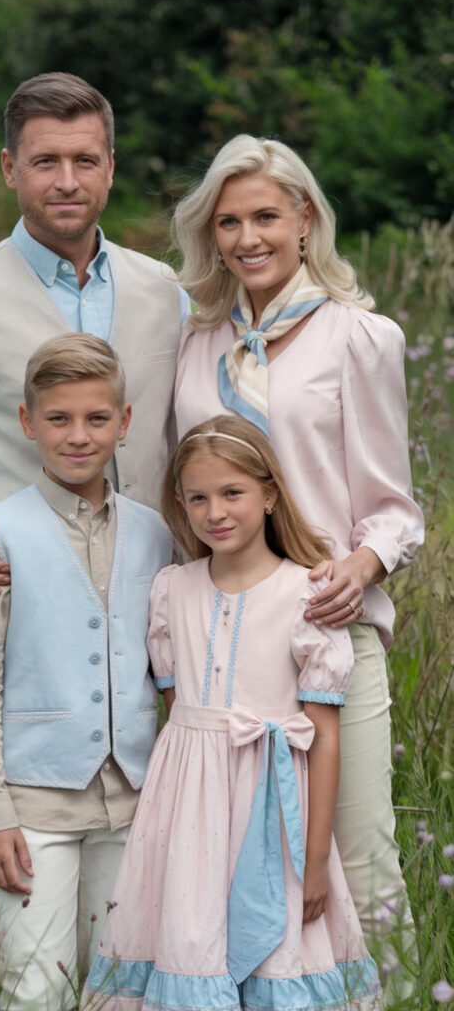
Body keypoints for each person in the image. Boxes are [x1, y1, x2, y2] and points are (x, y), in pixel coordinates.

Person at [171, 135, 424, 992]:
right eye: (229, 220)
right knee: (239, 867)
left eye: (266, 216)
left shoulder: (361, 337)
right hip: (225, 644)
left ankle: (391, 994)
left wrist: (360, 565)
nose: (247, 237)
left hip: (327, 634)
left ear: (305, 218)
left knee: (358, 855)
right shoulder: (193, 342)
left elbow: (394, 509)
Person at [82, 415, 383, 1011]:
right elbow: (180, 721)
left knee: (280, 947)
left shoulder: (306, 596)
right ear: (180, 503)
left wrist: (315, 859)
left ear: (270, 495)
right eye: (198, 497)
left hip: (273, 808)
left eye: (232, 493)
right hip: (187, 814)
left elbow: (323, 737)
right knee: (191, 940)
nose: (215, 511)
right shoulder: (172, 590)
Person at [0, 72, 188, 605]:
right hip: (20, 603)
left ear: (110, 169)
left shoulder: (166, 291)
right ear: (9, 169)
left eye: (85, 161)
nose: (67, 181)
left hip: (159, 601)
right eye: (46, 162)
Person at [0, 333, 172, 1010]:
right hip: (32, 808)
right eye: (58, 418)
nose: (78, 436)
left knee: (120, 989)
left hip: (131, 802)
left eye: (97, 418)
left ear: (124, 423)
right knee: (35, 988)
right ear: (27, 422)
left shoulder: (155, 532)